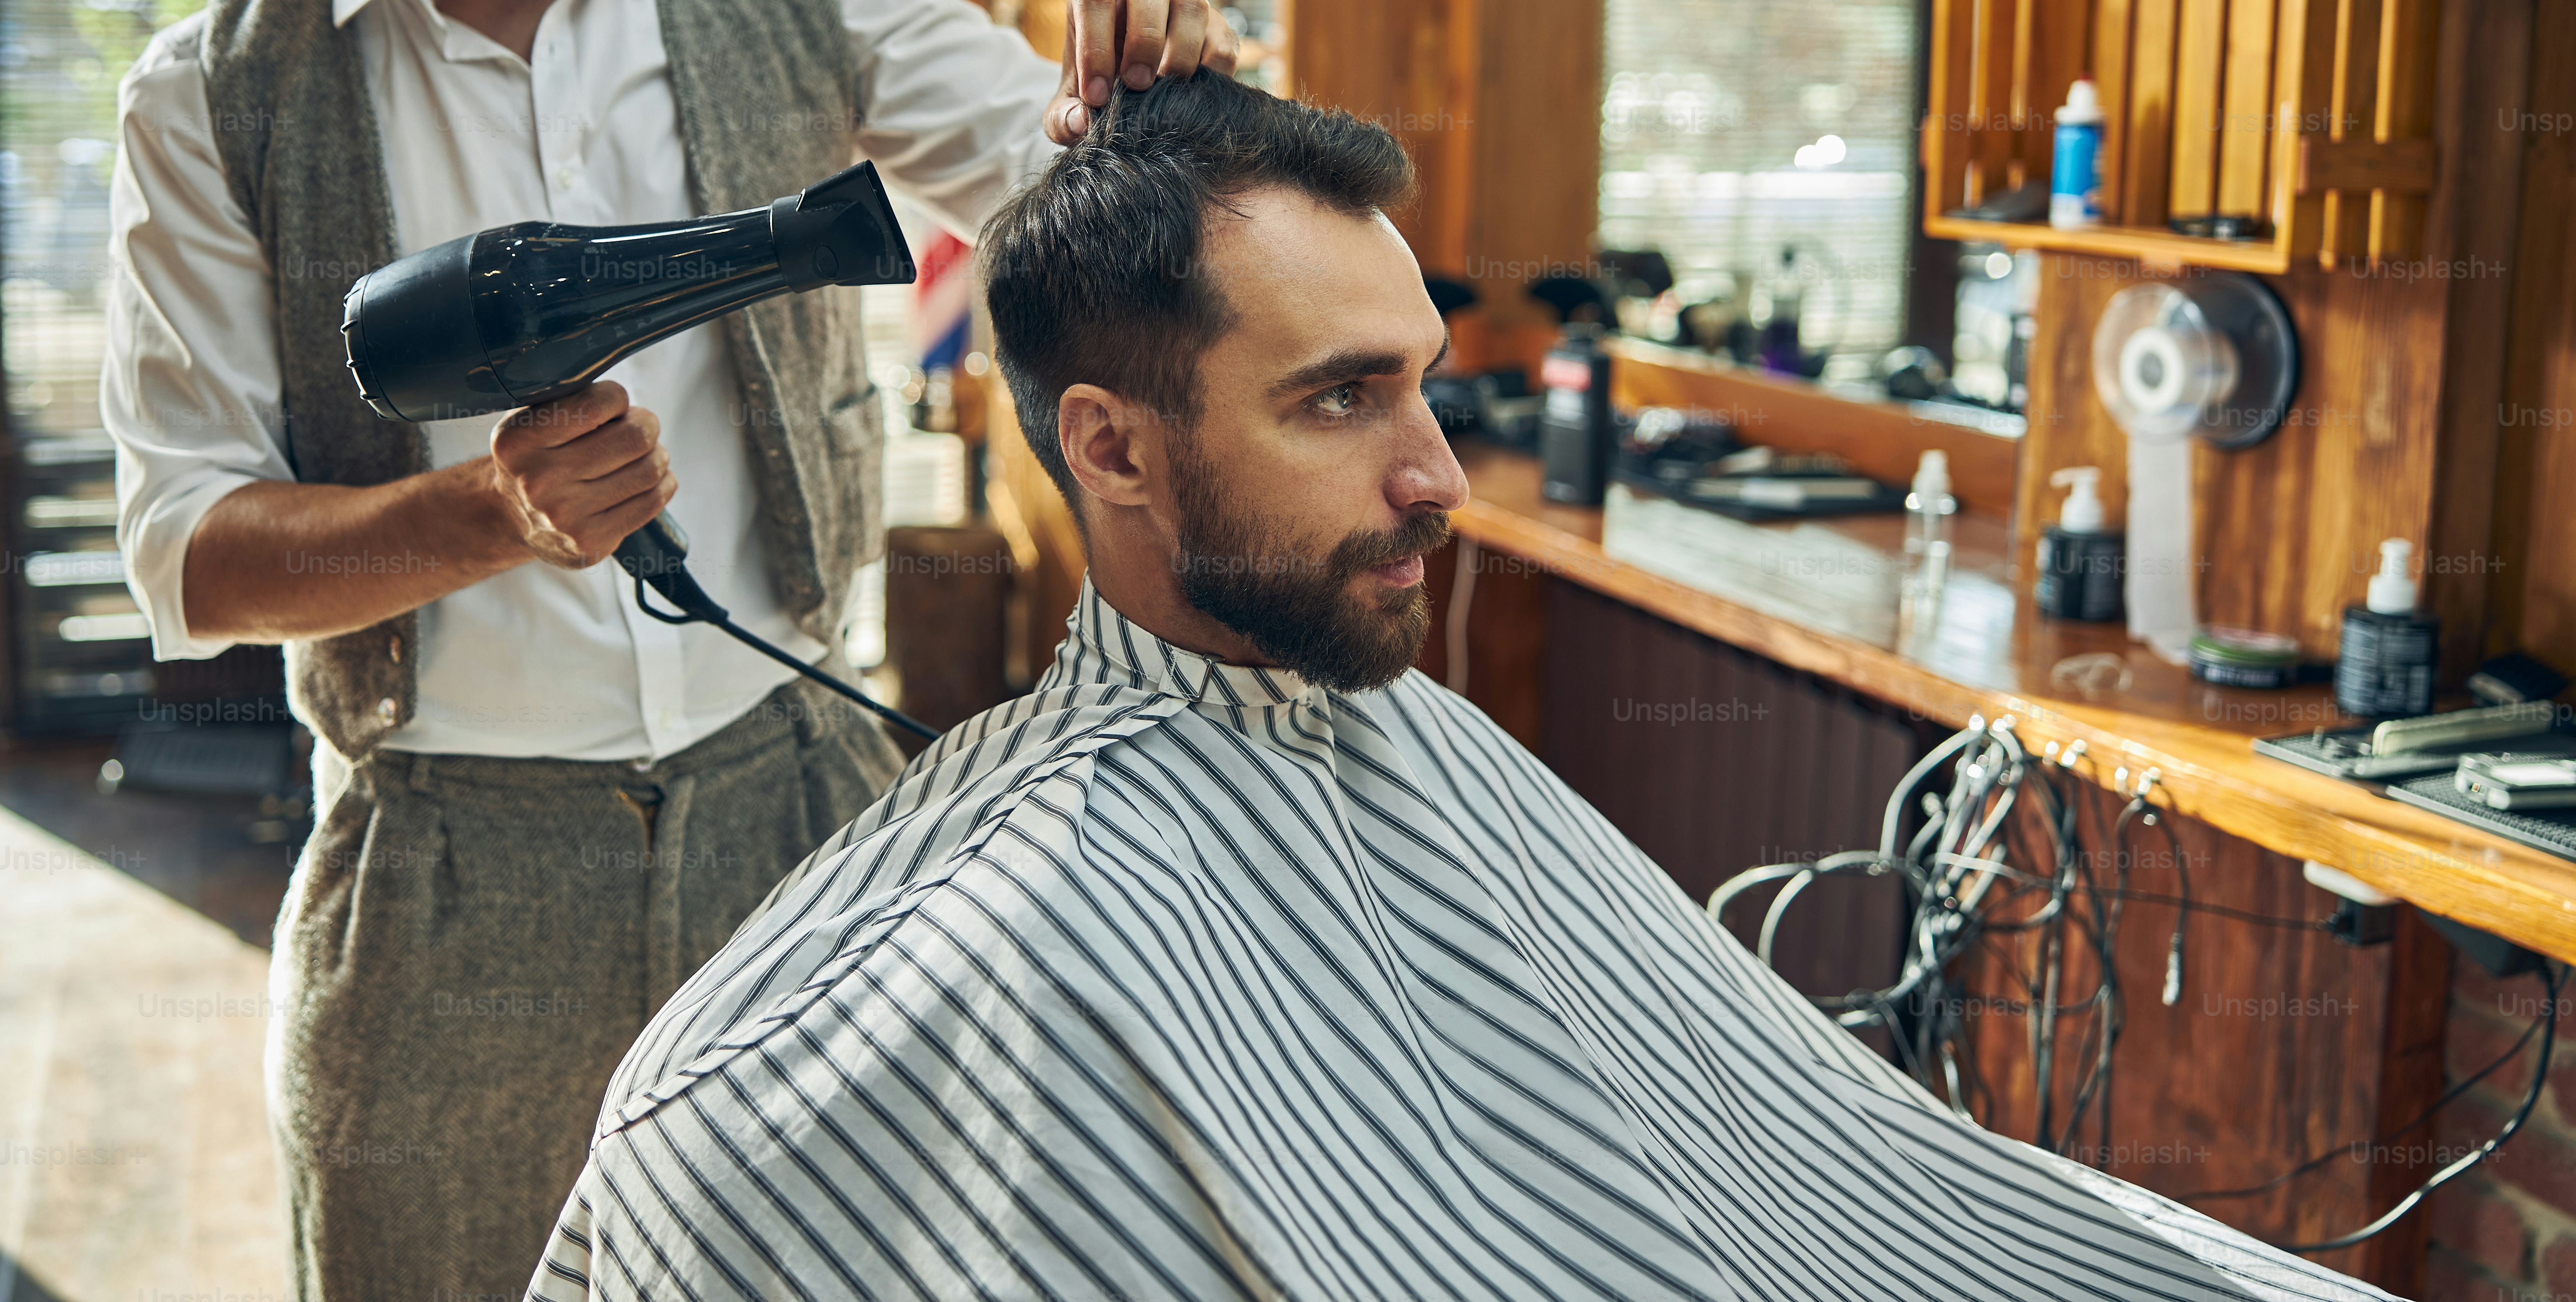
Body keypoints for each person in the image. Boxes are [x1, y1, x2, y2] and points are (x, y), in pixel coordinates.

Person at [524, 72, 2394, 1302]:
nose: (1442, 474)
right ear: (1113, 446)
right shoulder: (997, 925)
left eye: (1422, 378)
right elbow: (698, 1173)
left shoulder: (1389, 728)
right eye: (1342, 397)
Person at [100, 0, 1233, 1302]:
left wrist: (1174, 103)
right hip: (446, 884)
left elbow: (1102, 209)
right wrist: (483, 516)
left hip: (799, 815)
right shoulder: (214, 94)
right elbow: (191, 555)